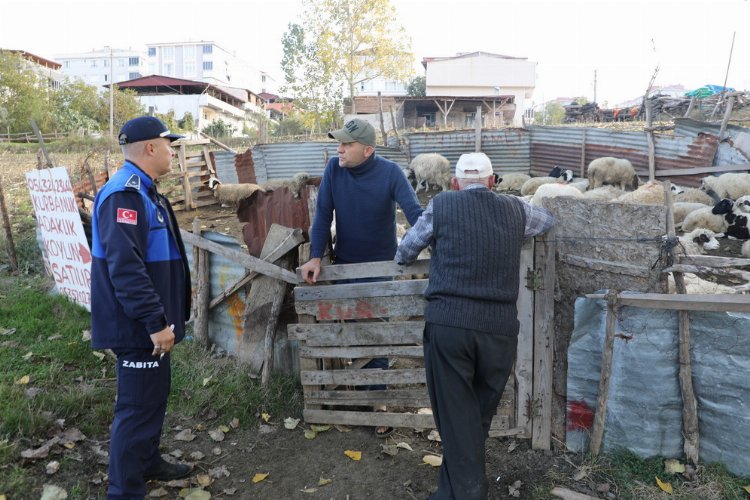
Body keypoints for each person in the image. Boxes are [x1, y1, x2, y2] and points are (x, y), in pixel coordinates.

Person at [395, 152, 555, 499]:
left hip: (450, 326)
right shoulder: (517, 209)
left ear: (454, 183)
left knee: (457, 421)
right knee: (473, 421)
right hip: (499, 331)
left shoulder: (442, 205)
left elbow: (405, 250)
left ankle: (470, 493)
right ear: (492, 182)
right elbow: (548, 219)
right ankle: (449, 493)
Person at [300, 118, 423, 437]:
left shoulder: (391, 173)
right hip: (345, 264)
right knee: (355, 332)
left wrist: (431, 243)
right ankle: (355, 389)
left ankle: (378, 401)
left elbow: (416, 216)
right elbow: (322, 215)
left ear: (367, 150)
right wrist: (315, 256)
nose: (339, 148)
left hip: (381, 268)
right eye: (340, 142)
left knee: (375, 334)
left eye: (347, 144)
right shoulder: (333, 170)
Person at [91, 116, 193, 498]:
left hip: (150, 323)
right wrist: (154, 321)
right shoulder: (126, 194)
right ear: (150, 148)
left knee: (152, 397)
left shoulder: (146, 191)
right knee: (135, 408)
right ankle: (124, 490)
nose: (172, 152)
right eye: (169, 144)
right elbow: (126, 266)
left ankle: (147, 462)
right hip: (137, 326)